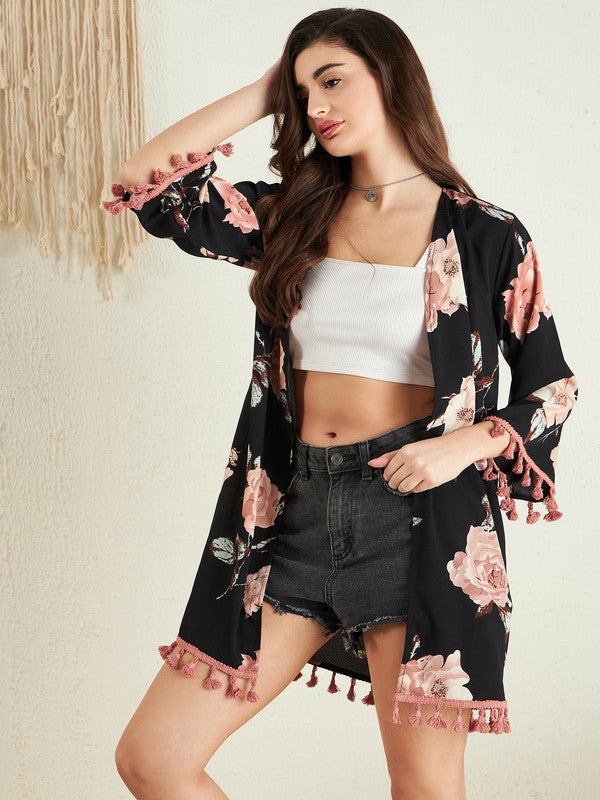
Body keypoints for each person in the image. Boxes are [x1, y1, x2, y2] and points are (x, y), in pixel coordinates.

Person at [103, 8, 577, 800]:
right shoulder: (295, 214)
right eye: (303, 93)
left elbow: (553, 387)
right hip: (295, 518)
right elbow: (144, 183)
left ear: (390, 76)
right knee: (154, 758)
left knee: (424, 791)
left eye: (332, 80)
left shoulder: (485, 235)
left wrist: (465, 445)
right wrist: (267, 90)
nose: (316, 106)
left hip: (423, 529)